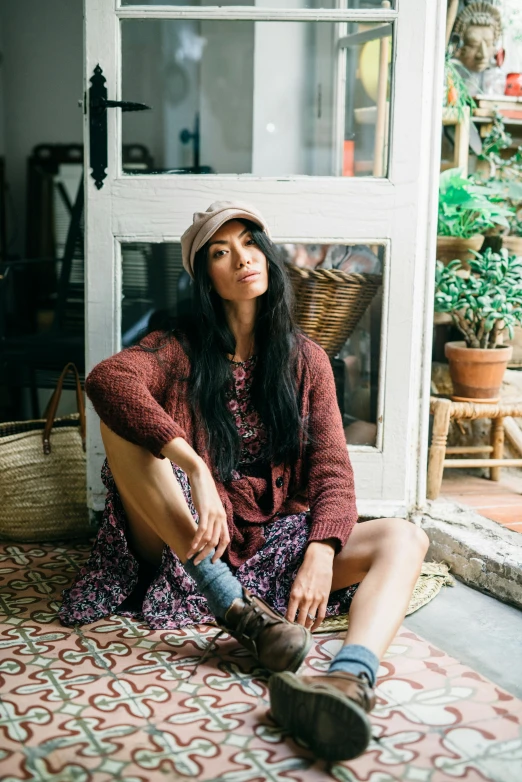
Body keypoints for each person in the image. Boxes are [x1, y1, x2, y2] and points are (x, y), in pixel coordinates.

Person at [59, 201, 429, 761]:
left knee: (406, 538)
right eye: (220, 252)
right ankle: (233, 606)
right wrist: (195, 468)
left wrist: (323, 551)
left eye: (249, 243)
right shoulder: (176, 349)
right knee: (123, 428)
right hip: (186, 540)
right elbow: (107, 380)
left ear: (267, 254)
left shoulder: (307, 360)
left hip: (268, 539)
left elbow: (332, 470)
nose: (241, 258)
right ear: (205, 276)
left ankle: (347, 681)